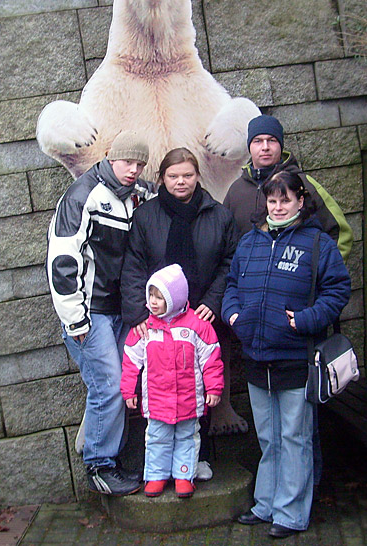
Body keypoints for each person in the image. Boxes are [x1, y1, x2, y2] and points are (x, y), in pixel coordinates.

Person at [222, 171, 351, 538]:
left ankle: (292, 514)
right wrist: (234, 316)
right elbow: (232, 285)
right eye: (272, 201)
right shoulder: (250, 242)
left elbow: (338, 290)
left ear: (300, 201)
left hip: (296, 355)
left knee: (295, 437)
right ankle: (266, 505)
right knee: (269, 437)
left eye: (285, 200)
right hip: (256, 356)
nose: (277, 207)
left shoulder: (317, 244)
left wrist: (308, 319)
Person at [46, 130, 155, 496]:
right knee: (108, 385)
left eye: (139, 164)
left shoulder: (139, 193)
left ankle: (115, 458)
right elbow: (62, 259)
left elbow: (172, 196)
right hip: (91, 315)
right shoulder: (83, 195)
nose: (133, 169)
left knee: (125, 384)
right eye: (127, 162)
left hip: (122, 311)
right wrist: (74, 317)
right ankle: (100, 465)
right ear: (110, 156)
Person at [121, 147, 239, 480]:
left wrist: (213, 302)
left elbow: (231, 262)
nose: (181, 182)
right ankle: (158, 467)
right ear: (162, 179)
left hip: (200, 318)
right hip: (157, 320)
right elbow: (133, 267)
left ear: (198, 176)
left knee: (197, 388)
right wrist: (138, 315)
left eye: (187, 175)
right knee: (160, 390)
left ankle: (191, 462)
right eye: (173, 176)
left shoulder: (219, 216)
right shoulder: (146, 217)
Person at [120, 264, 224, 498]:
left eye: (160, 297)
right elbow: (130, 360)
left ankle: (183, 475)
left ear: (175, 298)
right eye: (151, 295)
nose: (153, 302)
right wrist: (128, 391)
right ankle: (156, 476)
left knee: (187, 438)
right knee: (157, 438)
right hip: (157, 402)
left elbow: (211, 359)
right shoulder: (144, 328)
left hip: (189, 400)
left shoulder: (197, 325)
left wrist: (214, 387)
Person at [223, 114, 353, 260]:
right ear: (249, 147)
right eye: (258, 141)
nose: (265, 147)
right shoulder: (235, 191)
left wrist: (324, 274)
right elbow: (225, 244)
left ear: (280, 145)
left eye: (271, 140)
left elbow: (341, 234)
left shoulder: (304, 184)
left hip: (298, 279)